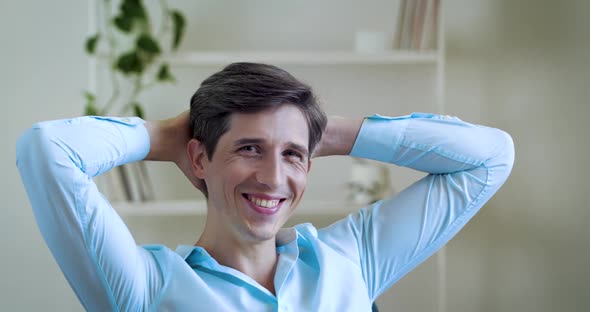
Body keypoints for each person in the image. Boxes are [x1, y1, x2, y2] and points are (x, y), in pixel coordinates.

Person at [17, 63, 514, 311]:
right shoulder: (146, 288)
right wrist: (166, 137)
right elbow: (47, 149)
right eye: (250, 148)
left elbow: (489, 158)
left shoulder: (351, 259)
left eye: (292, 155)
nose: (275, 178)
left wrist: (327, 131)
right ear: (199, 158)